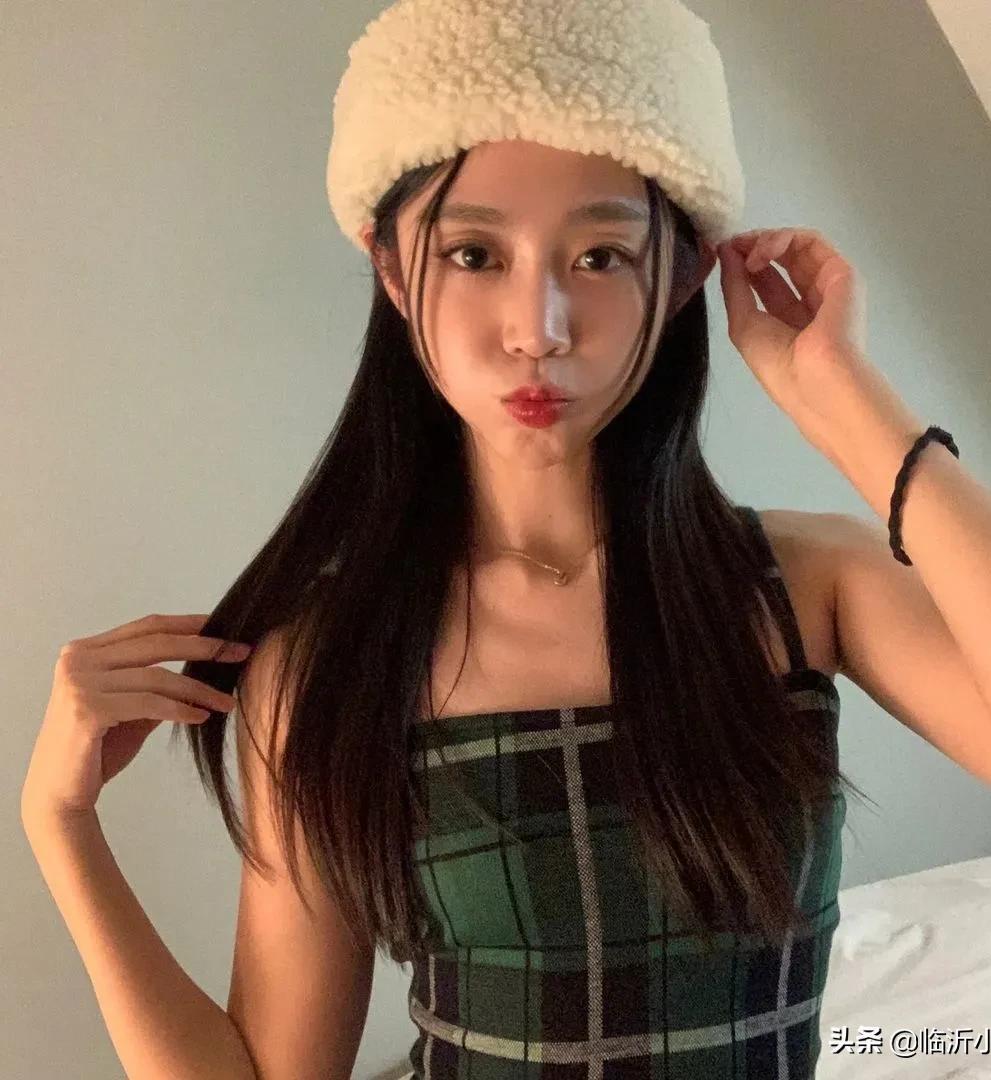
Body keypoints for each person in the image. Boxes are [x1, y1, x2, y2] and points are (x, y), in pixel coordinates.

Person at [21, 1, 871, 1077]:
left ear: (684, 276)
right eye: (473, 252)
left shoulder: (807, 584)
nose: (538, 327)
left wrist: (856, 407)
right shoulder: (330, 667)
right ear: (391, 270)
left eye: (603, 254)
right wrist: (61, 824)